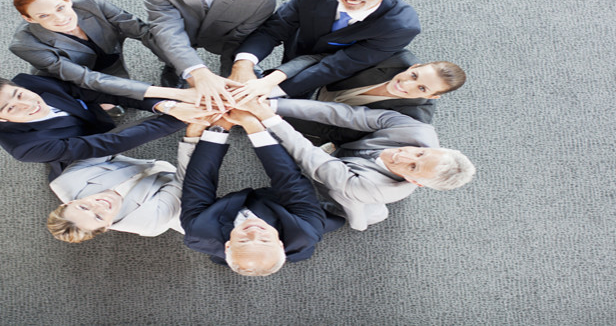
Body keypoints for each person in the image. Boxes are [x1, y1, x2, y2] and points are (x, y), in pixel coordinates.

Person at [236, 98, 475, 231]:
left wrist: (267, 119)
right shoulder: (418, 130)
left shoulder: (375, 188)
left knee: (355, 211)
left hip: (348, 187)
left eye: (413, 167)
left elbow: (310, 158)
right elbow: (343, 114)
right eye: (420, 153)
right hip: (351, 157)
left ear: (414, 182)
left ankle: (363, 216)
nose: (403, 156)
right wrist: (271, 105)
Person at [230, 0, 420, 100]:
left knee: (295, 99)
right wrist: (244, 64)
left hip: (344, 64)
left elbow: (336, 66)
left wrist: (270, 91)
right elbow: (274, 29)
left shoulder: (400, 26)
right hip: (301, 44)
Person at [0, 73, 209, 179]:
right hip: (77, 158)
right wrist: (180, 117)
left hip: (90, 122)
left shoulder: (28, 81)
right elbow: (108, 143)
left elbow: (97, 93)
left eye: (19, 94)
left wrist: (166, 105)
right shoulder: (25, 148)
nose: (27, 104)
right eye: (10, 109)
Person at [180, 111, 343, 276]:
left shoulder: (199, 231)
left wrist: (219, 129)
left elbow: (199, 182)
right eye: (264, 240)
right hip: (283, 207)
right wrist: (253, 127)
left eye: (243, 240)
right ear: (281, 244)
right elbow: (289, 180)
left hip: (231, 215)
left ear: (227, 245)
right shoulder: (305, 231)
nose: (254, 231)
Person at [10, 0, 196, 116]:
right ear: (30, 19)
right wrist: (173, 94)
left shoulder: (88, 2)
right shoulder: (24, 44)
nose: (61, 18)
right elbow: (86, 78)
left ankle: (173, 69)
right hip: (72, 78)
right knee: (109, 106)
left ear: (67, 0)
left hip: (109, 58)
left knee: (163, 38)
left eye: (60, 7)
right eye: (44, 16)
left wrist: (185, 67)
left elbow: (141, 30)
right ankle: (95, 105)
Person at [145, 0, 277, 110]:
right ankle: (176, 67)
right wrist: (195, 71)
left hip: (226, 37)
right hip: (183, 32)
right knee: (160, 39)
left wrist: (233, 78)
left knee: (238, 75)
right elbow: (166, 28)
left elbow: (241, 37)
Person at [278, 50, 466, 144]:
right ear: (413, 67)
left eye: (422, 88)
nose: (405, 85)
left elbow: (340, 135)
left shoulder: (410, 119)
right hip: (325, 86)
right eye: (414, 76)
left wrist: (280, 115)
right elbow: (326, 61)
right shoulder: (393, 57)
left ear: (432, 97)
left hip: (329, 124)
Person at [45, 133, 198, 241]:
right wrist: (193, 136)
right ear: (107, 226)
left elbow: (107, 144)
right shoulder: (149, 222)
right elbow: (185, 179)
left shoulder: (66, 181)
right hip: (172, 192)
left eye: (84, 207)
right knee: (201, 227)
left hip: (138, 166)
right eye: (99, 217)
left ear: (69, 202)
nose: (99, 205)